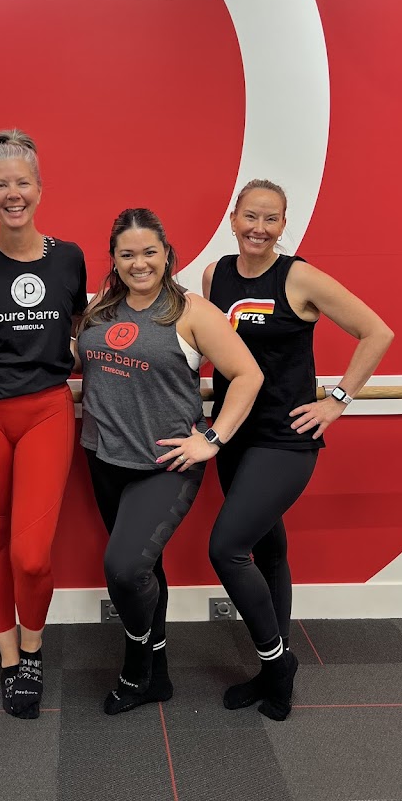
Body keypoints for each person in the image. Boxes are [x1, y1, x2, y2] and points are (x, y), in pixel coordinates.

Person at [203, 178, 394, 721]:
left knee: (227, 548)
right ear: (233, 217)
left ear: (284, 224)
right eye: (251, 216)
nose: (259, 228)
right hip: (233, 432)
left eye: (272, 219)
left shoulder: (298, 277)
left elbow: (377, 332)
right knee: (268, 551)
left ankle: (278, 662)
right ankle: (272, 674)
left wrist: (337, 400)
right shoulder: (215, 275)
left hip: (285, 438)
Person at [76, 208, 263, 715]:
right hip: (104, 456)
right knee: (145, 567)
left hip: (165, 464)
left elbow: (248, 375)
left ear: (167, 255)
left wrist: (213, 439)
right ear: (114, 258)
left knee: (124, 567)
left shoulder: (191, 310)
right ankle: (157, 673)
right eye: (127, 254)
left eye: (149, 252)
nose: (139, 263)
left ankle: (137, 665)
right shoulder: (100, 308)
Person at [0, 129, 87, 720]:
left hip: (46, 411)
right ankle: (12, 658)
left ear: (39, 188)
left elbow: (79, 332)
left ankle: (34, 648)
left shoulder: (69, 257)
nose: (12, 194)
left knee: (30, 555)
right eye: (0, 185)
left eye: (22, 182)